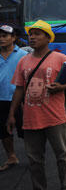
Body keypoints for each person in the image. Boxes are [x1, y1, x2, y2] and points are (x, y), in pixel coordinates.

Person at [7, 20, 66, 190]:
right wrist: (12, 114)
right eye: (31, 34)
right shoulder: (23, 62)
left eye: (37, 34)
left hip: (55, 117)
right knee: (34, 159)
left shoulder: (60, 58)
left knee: (63, 156)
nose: (32, 37)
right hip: (31, 119)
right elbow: (19, 89)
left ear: (48, 38)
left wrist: (62, 87)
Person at [0, 24, 27, 172]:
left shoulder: (22, 55)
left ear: (14, 38)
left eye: (5, 36)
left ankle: (34, 156)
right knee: (4, 132)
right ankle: (11, 157)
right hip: (1, 99)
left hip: (20, 99)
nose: (1, 39)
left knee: (27, 130)